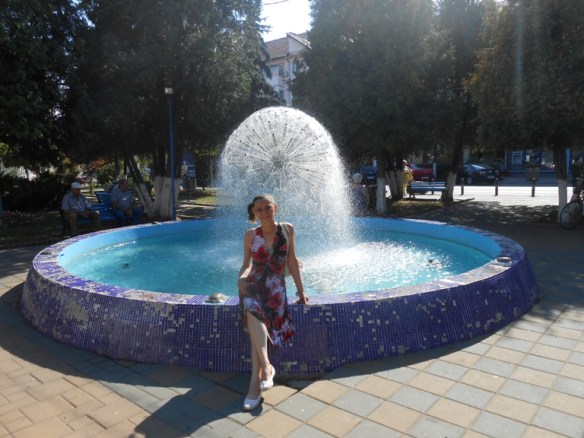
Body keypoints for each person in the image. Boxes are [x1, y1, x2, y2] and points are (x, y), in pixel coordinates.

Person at [237, 194, 308, 411]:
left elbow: (292, 261)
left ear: (275, 208)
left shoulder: (287, 229)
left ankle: (255, 383)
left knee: (254, 319)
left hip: (275, 289)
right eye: (259, 209)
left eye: (267, 207)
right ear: (254, 212)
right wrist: (241, 279)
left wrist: (301, 291)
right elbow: (247, 265)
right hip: (253, 285)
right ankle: (267, 369)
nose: (264, 212)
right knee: (251, 308)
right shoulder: (250, 235)